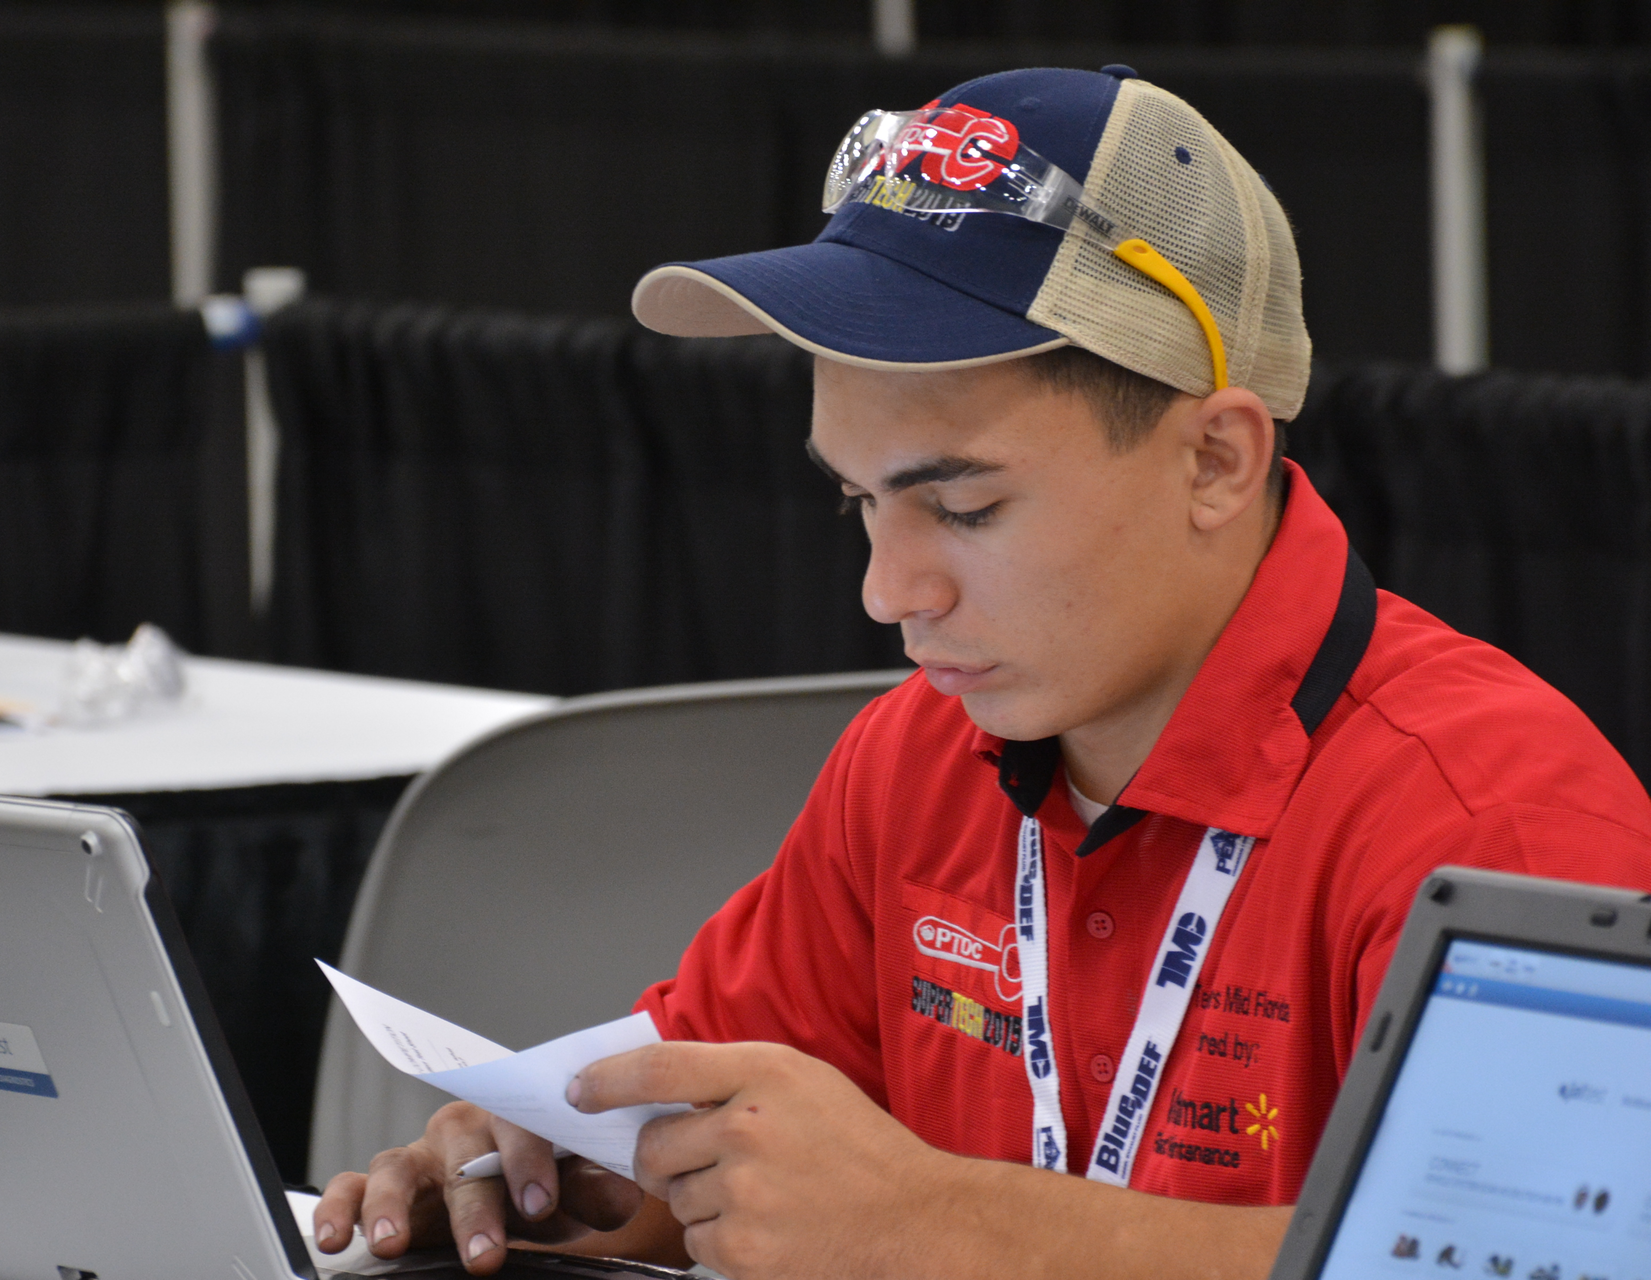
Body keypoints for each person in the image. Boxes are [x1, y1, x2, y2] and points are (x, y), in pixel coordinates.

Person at [313, 65, 1651, 1280]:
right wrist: (561, 1182)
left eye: (961, 508)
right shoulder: (914, 758)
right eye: (859, 505)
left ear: (1217, 461)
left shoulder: (1496, 823)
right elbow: (725, 1148)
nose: (889, 592)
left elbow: (1553, 1266)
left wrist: (944, 1227)